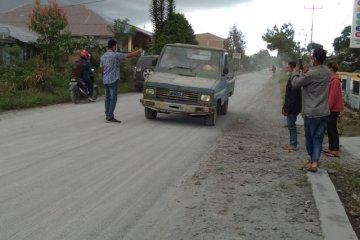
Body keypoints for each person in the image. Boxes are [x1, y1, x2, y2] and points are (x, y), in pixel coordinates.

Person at [292, 48, 331, 172]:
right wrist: (305, 73)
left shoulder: (311, 73)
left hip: (311, 112)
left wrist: (296, 72)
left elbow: (296, 84)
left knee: (310, 139)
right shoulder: (327, 72)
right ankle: (314, 163)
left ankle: (313, 161)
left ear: (314, 58)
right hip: (324, 111)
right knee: (318, 139)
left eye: (312, 57)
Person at [100, 39, 143, 123]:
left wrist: (103, 77)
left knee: (107, 98)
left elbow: (101, 69)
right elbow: (129, 55)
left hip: (105, 80)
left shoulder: (103, 56)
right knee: (113, 98)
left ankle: (107, 115)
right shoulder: (115, 55)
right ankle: (110, 116)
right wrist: (139, 51)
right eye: (116, 45)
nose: (116, 47)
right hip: (113, 80)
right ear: (113, 46)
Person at [324, 62, 344, 157]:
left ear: (331, 69)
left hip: (333, 108)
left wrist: (328, 108)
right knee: (329, 128)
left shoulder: (335, 80)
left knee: (332, 128)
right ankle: (331, 148)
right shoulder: (332, 79)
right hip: (331, 108)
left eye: (328, 68)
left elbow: (332, 96)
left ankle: (335, 149)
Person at [282, 61, 302, 151]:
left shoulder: (294, 79)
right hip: (293, 106)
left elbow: (292, 97)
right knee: (291, 125)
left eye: (288, 67)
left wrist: (287, 109)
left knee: (291, 125)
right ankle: (292, 143)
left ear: (292, 68)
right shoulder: (293, 78)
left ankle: (293, 144)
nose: (287, 68)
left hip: (293, 107)